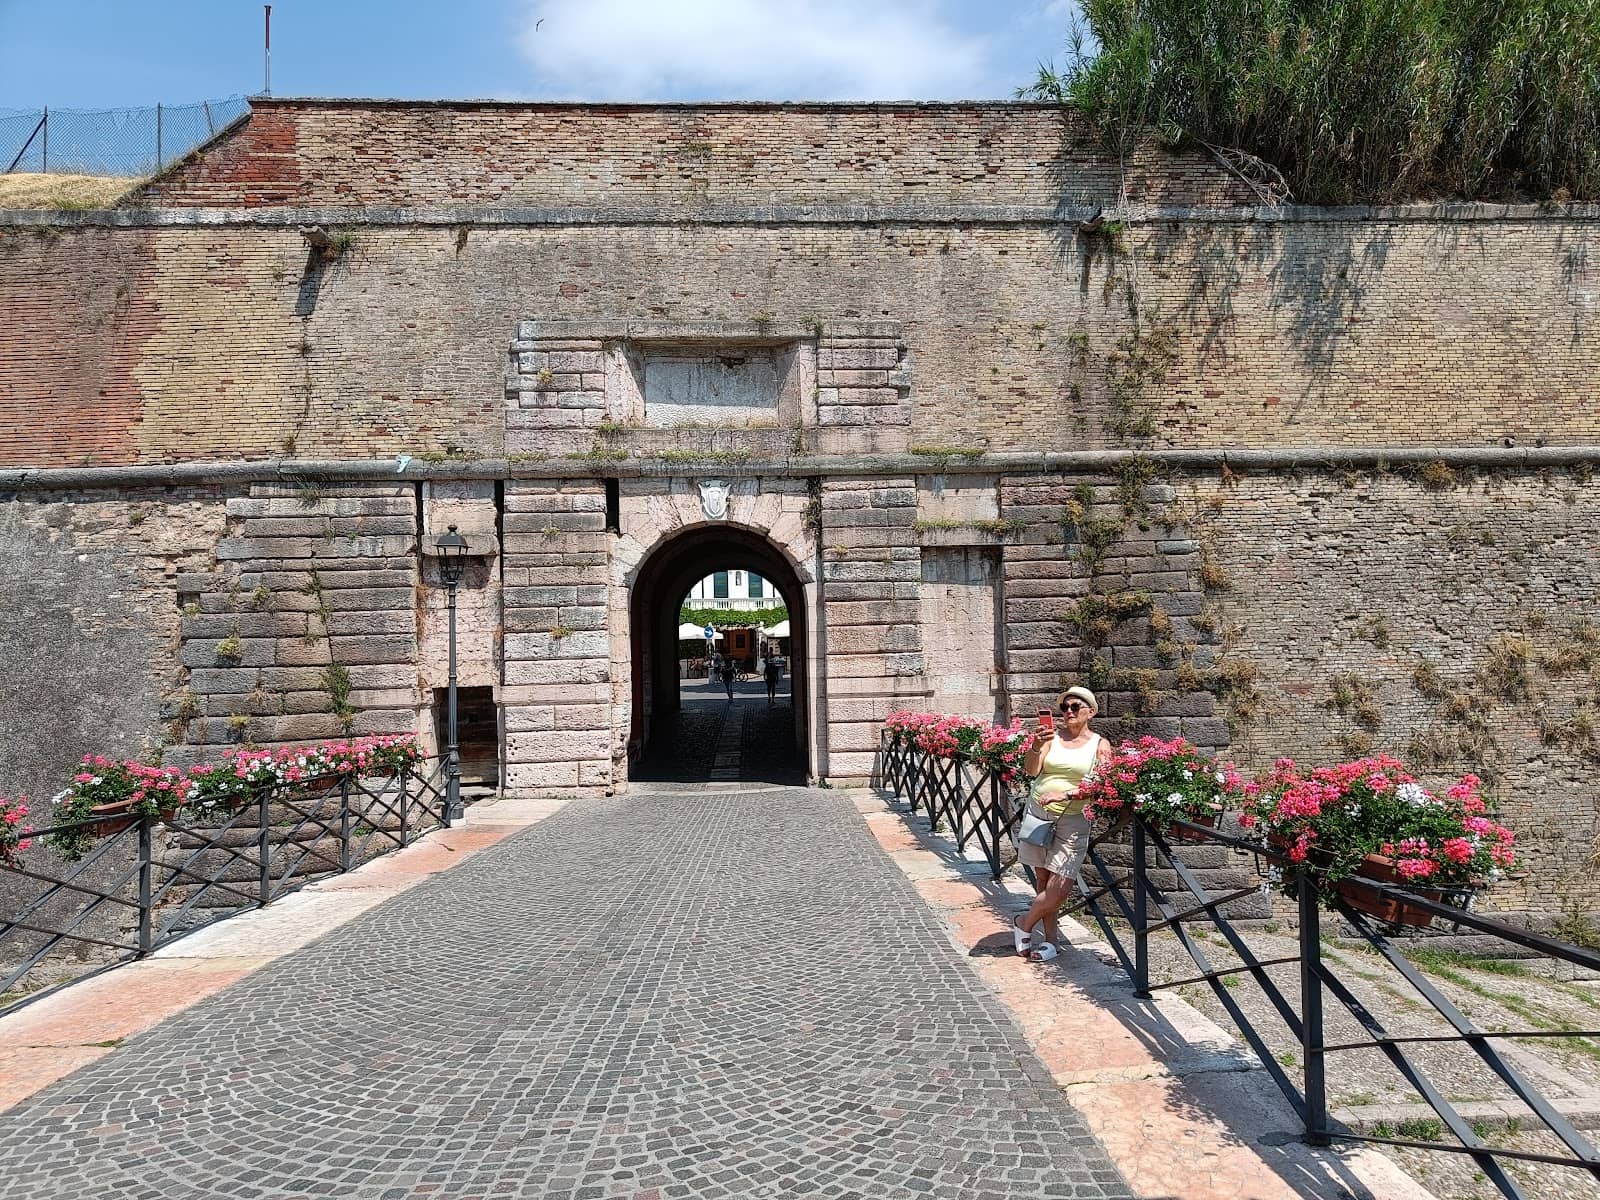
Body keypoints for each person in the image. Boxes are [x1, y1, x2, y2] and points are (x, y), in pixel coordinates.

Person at [1012, 686, 1111, 962]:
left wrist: (1067, 793)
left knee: (1060, 885)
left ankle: (1024, 923)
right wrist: (1034, 746)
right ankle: (1051, 942)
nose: (1068, 711)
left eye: (1075, 706)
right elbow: (1031, 771)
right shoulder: (1050, 738)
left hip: (1074, 818)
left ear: (1090, 712)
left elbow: (1103, 784)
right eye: (1064, 708)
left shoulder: (1100, 745)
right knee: (1043, 882)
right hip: (1039, 813)